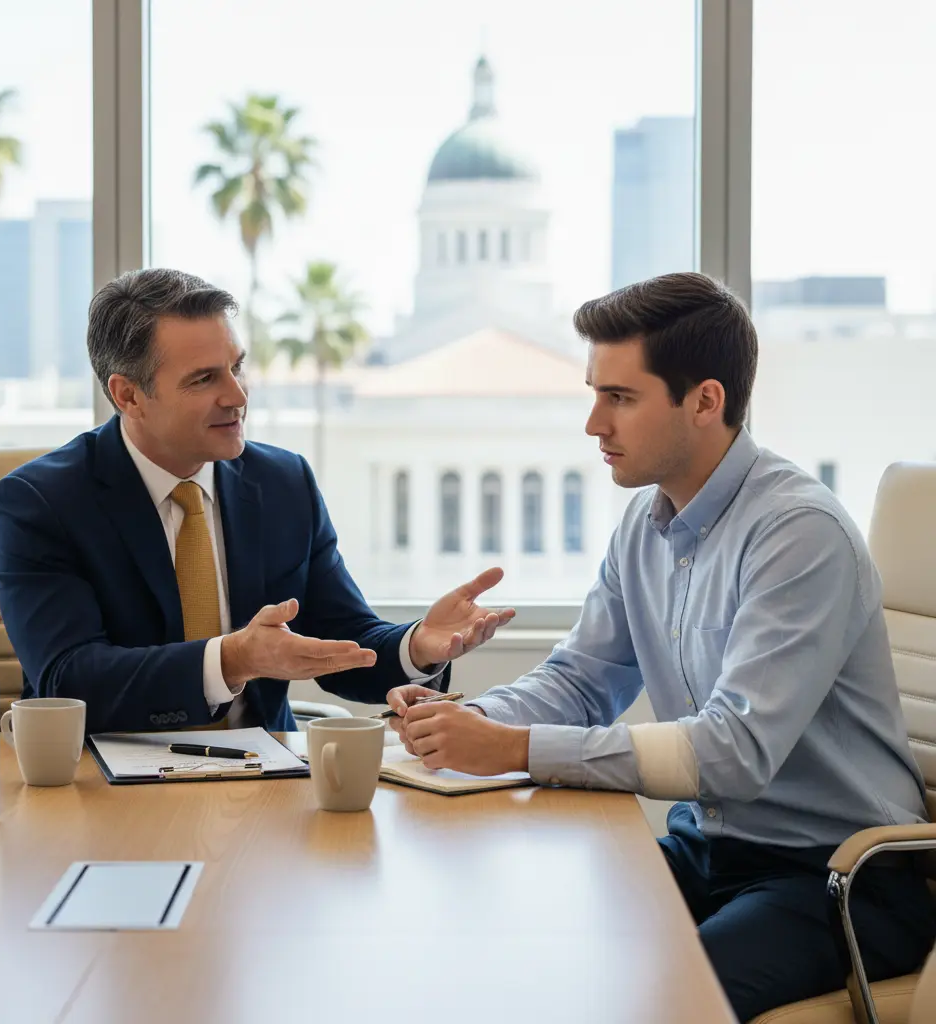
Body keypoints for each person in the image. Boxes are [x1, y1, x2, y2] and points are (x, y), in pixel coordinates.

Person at [386, 272, 936, 1021]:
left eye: (620, 397)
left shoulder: (799, 534)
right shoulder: (645, 523)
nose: (592, 424)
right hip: (706, 850)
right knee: (531, 951)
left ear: (705, 401)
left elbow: (735, 752)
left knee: (663, 1001)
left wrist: (511, 748)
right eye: (594, 392)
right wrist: (463, 720)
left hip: (835, 877)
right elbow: (582, 681)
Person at [0, 268, 513, 735]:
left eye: (237, 368)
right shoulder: (41, 502)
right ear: (128, 395)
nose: (237, 396)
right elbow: (69, 680)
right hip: (100, 785)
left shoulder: (283, 481)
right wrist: (232, 660)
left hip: (263, 778)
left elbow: (341, 636)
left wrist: (417, 646)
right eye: (204, 379)